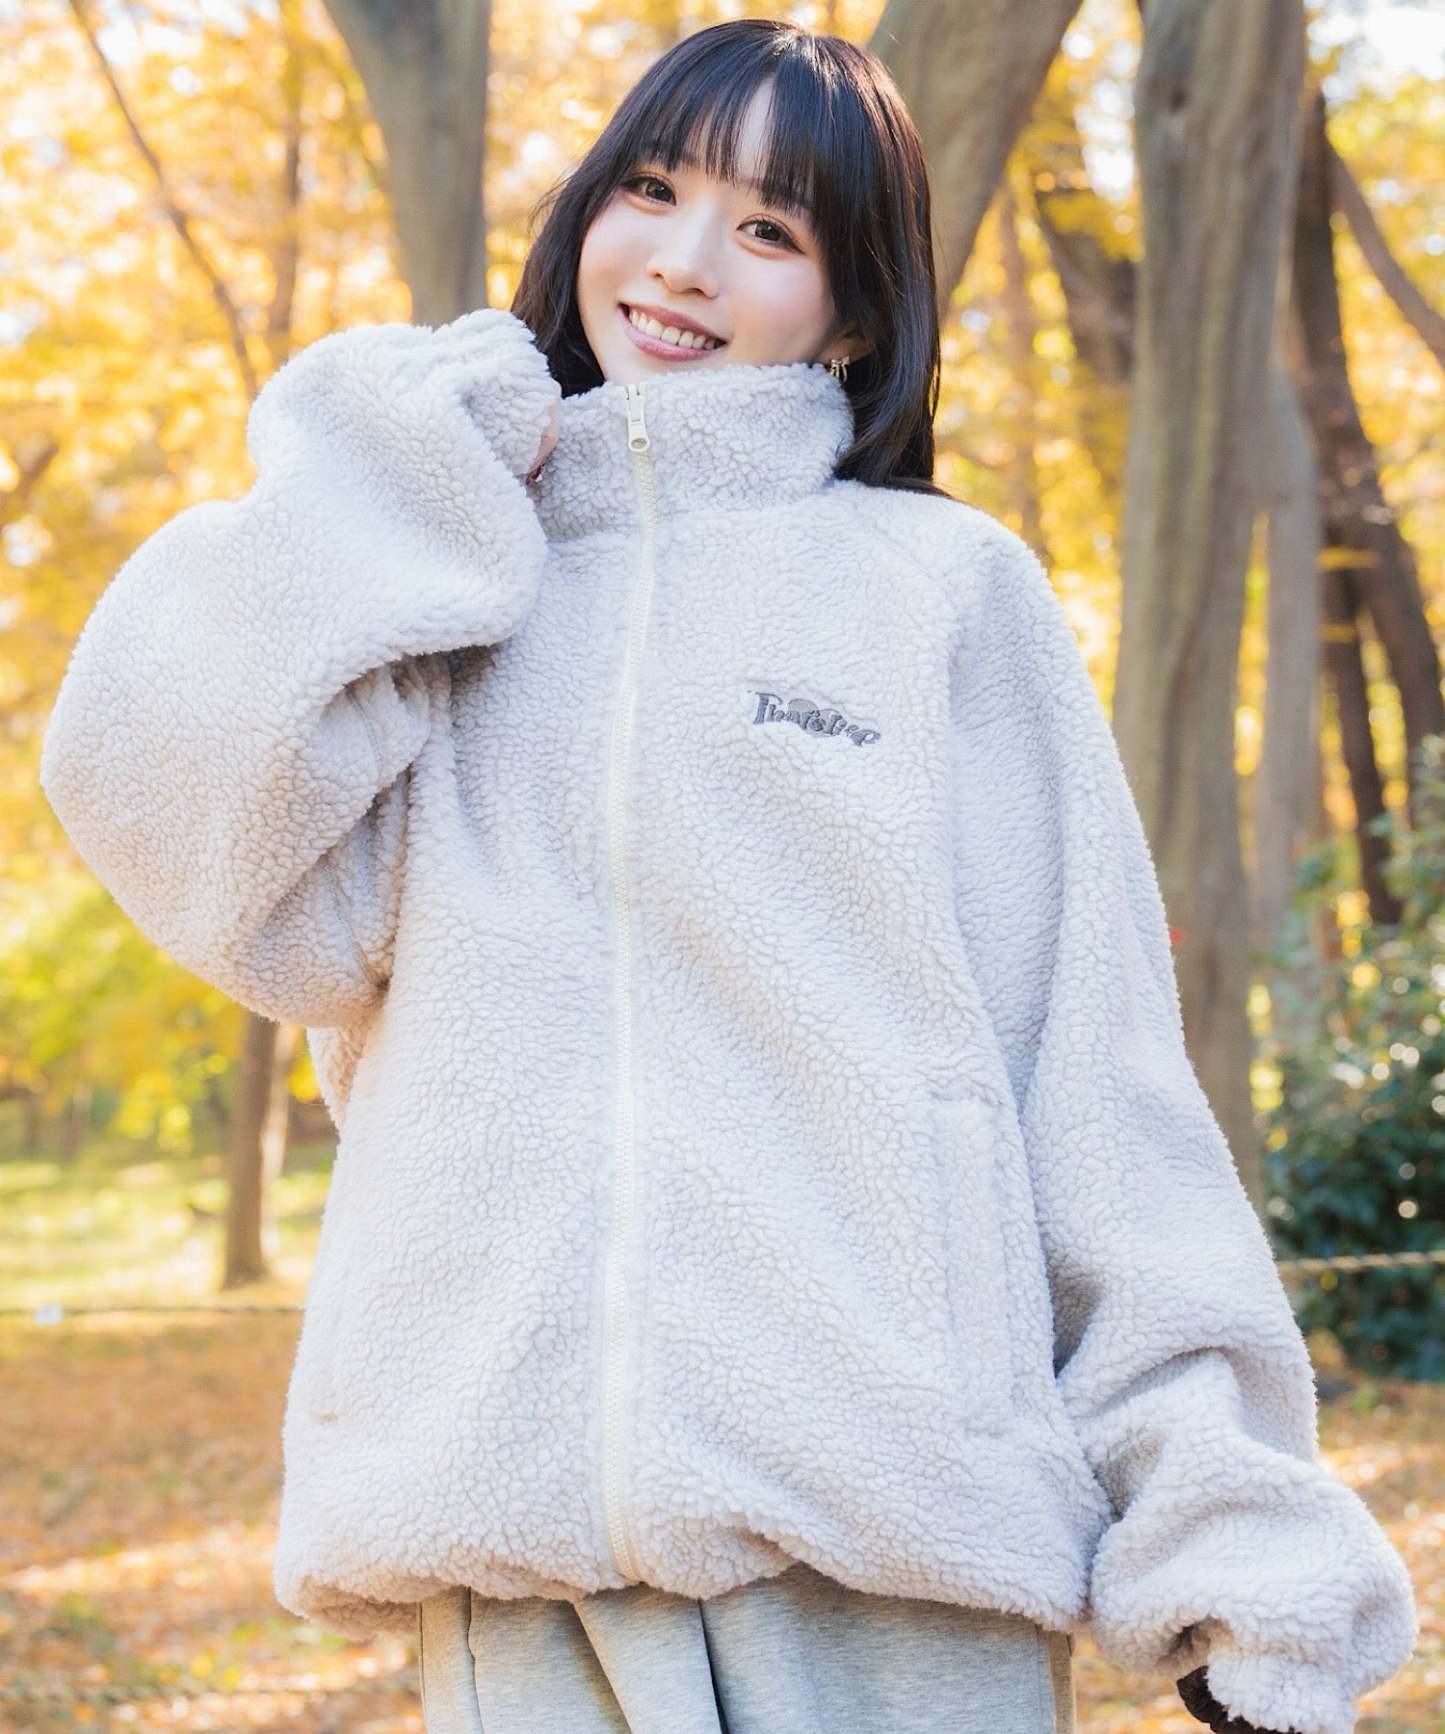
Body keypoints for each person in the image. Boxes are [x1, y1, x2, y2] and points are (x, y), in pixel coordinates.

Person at [38, 18, 1417, 1734]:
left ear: (852, 311)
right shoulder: (457, 605)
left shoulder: (942, 593)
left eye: (768, 228)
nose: (685, 261)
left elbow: (1094, 1080)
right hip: (520, 1567)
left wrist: (1231, 1543)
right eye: (651, 190)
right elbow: (178, 819)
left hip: (894, 1564)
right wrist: (399, 479)